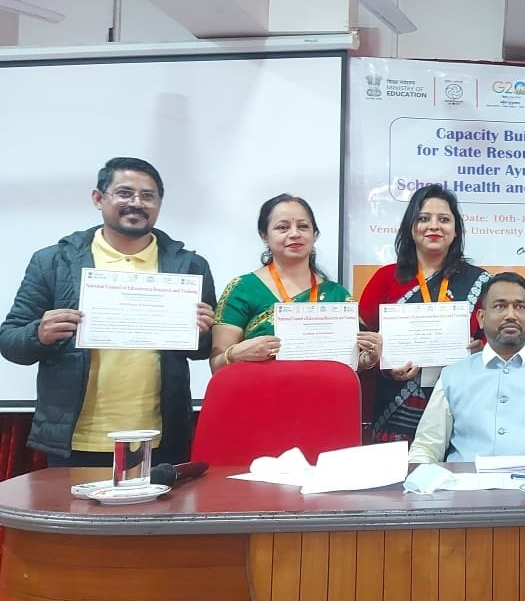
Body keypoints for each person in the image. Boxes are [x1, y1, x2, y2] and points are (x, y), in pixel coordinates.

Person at [0, 157, 216, 466]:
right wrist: (39, 334)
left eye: (148, 196)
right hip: (76, 439)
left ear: (159, 203)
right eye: (124, 193)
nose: (136, 203)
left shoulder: (189, 266)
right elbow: (10, 341)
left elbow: (201, 351)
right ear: (98, 198)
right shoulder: (53, 261)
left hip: (159, 438)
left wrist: (204, 333)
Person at [357, 185, 491, 443]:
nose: (434, 226)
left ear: (456, 230)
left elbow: (496, 340)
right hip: (395, 407)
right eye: (424, 218)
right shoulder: (385, 278)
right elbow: (362, 344)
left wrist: (481, 348)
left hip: (462, 402)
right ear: (411, 227)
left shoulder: (480, 281)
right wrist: (385, 364)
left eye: (444, 219)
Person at [408, 272, 525, 463]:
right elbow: (426, 448)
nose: (511, 315)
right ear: (481, 317)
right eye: (500, 306)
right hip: (467, 481)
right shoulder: (452, 376)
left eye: (520, 307)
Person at [211, 194, 381, 373]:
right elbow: (216, 364)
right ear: (264, 236)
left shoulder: (336, 294)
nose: (294, 234)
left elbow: (350, 362)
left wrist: (368, 359)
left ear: (314, 235)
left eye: (303, 226)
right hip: (261, 389)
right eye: (282, 227)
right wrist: (235, 354)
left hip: (321, 390)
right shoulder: (243, 289)